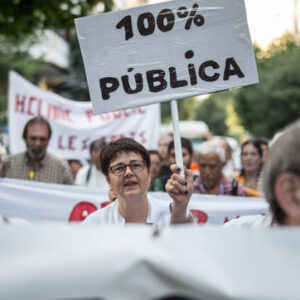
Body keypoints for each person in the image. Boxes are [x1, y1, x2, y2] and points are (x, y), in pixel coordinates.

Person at [84, 138, 193, 226]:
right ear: (108, 180)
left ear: (149, 173)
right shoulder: (95, 224)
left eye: (136, 165)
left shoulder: (175, 214)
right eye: (119, 168)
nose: (128, 173)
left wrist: (179, 209)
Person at [224, 119, 300, 228]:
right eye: (245, 154)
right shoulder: (238, 230)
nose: (249, 158)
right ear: (290, 192)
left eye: (253, 154)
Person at [0, 117, 73, 184]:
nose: (37, 143)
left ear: (48, 140)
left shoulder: (61, 167)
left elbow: (69, 195)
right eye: (33, 138)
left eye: (42, 139)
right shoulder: (8, 164)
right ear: (25, 138)